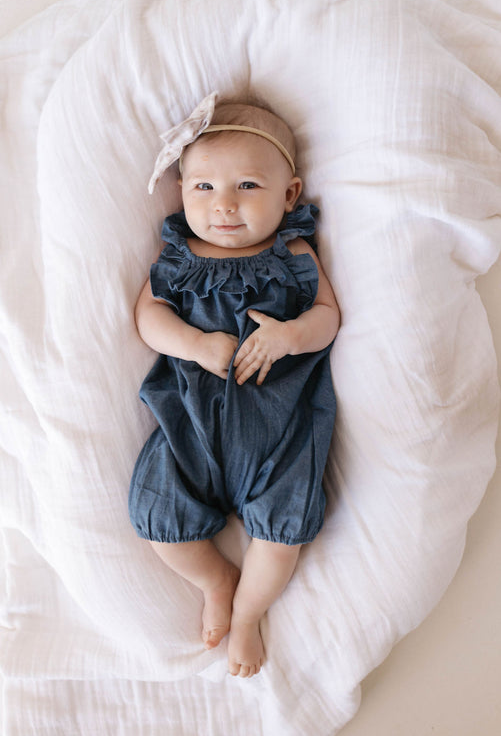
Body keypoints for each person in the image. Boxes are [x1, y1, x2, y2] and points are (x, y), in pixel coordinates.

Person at [129, 92, 340, 679]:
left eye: (247, 186)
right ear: (182, 192)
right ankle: (216, 579)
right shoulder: (176, 260)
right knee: (159, 521)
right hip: (188, 431)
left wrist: (292, 336)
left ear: (289, 194)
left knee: (281, 535)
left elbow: (327, 316)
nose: (224, 206)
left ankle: (247, 614)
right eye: (204, 188)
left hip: (279, 432)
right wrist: (193, 344)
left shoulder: (295, 254)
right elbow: (148, 318)